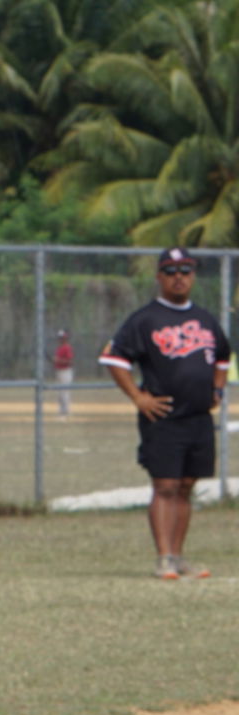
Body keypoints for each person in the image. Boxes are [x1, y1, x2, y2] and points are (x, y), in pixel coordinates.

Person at [100, 246, 232, 580]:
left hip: (199, 417)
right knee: (166, 486)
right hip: (164, 417)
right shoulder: (145, 319)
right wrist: (138, 398)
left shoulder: (205, 319)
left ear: (193, 276)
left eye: (185, 271)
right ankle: (164, 558)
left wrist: (217, 390)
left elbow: (222, 358)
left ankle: (179, 555)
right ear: (159, 277)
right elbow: (114, 360)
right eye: (171, 272)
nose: (179, 278)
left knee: (187, 486)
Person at [52, 329, 74, 419]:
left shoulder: (67, 347)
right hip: (59, 371)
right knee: (60, 393)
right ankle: (61, 412)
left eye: (62, 338)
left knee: (64, 393)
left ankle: (65, 413)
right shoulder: (59, 348)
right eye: (60, 338)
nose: (60, 339)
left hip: (65, 372)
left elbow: (70, 361)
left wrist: (58, 360)